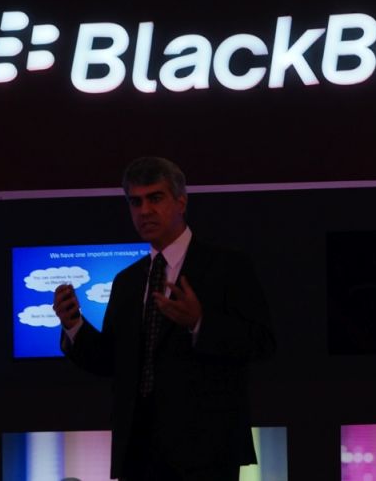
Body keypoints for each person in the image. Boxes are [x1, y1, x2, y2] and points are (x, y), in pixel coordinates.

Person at [53, 157, 275, 481]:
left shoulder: (227, 266)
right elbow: (111, 360)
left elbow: (262, 342)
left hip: (206, 451)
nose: (144, 210)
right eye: (136, 202)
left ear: (181, 201)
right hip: (139, 452)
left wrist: (200, 322)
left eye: (155, 198)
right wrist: (74, 324)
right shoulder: (127, 281)